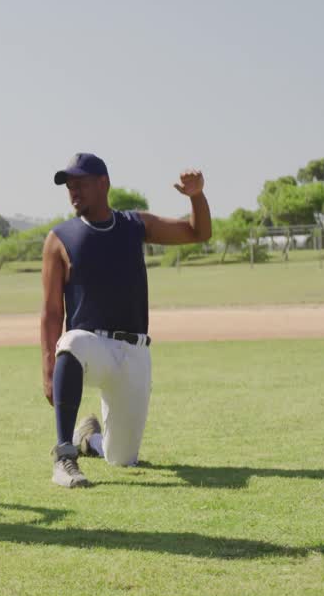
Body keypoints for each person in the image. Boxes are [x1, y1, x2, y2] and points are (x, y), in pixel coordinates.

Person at [41, 153, 212, 488]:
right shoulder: (59, 238)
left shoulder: (136, 225)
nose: (74, 191)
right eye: (69, 186)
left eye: (81, 184)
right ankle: (64, 456)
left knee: (122, 458)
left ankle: (90, 439)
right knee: (72, 341)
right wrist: (48, 367)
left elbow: (198, 233)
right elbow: (50, 312)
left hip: (134, 352)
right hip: (92, 348)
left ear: (104, 183)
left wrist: (196, 196)